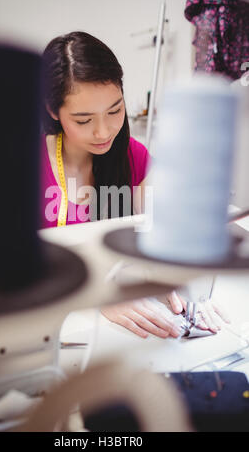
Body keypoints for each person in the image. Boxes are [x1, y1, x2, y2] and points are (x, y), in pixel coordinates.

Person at [40, 31, 230, 339]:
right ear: (53, 111)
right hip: (57, 326)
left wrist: (178, 281)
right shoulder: (27, 168)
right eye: (84, 120)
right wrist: (96, 298)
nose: (104, 131)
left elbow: (163, 235)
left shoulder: (135, 157)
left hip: (121, 329)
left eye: (115, 110)